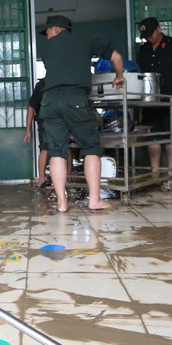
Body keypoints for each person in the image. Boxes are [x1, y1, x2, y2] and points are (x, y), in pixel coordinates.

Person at [36, 15, 124, 212]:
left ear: (57, 29)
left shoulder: (46, 48)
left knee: (57, 151)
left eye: (48, 31)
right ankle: (94, 200)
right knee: (91, 147)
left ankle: (61, 204)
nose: (47, 35)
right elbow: (117, 57)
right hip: (75, 98)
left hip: (49, 100)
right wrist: (119, 77)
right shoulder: (86, 39)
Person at [136, 17, 172, 191]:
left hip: (171, 98)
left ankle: (170, 175)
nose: (149, 38)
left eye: (151, 34)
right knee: (152, 136)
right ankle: (155, 175)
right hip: (150, 101)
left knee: (171, 136)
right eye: (145, 35)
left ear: (159, 29)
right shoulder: (144, 50)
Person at [24, 77, 50, 188]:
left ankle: (67, 178)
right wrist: (28, 131)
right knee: (45, 149)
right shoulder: (42, 85)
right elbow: (31, 108)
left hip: (60, 121)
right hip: (44, 121)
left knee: (66, 149)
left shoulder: (63, 80)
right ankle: (42, 179)